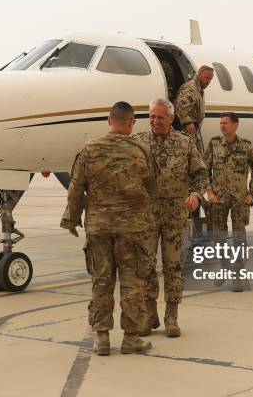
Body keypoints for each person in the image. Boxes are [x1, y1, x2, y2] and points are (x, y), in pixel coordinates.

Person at [60, 101, 157, 355]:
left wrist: (71, 220)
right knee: (132, 283)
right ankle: (131, 338)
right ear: (130, 123)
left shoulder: (89, 150)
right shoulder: (140, 150)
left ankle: (102, 338)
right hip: (132, 229)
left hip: (99, 228)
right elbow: (153, 186)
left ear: (109, 120)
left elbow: (76, 187)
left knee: (101, 281)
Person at [133, 98, 209, 337]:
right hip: (146, 215)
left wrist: (196, 195)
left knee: (173, 266)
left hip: (175, 216)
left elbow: (201, 175)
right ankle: (149, 313)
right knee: (144, 266)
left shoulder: (185, 144)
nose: (155, 121)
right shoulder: (138, 142)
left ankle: (171, 316)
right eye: (152, 117)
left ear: (171, 118)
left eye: (160, 117)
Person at [203, 112, 253, 290]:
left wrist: (252, 192)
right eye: (221, 123)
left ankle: (237, 275)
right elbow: (203, 170)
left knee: (239, 238)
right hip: (218, 199)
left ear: (236, 125)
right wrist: (209, 192)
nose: (222, 126)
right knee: (219, 238)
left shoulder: (246, 147)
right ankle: (224, 268)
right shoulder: (214, 144)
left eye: (226, 123)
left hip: (239, 199)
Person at [174, 65, 214, 153]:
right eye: (207, 78)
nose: (208, 81)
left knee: (196, 153)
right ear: (199, 75)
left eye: (210, 79)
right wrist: (188, 122)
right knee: (194, 154)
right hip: (185, 128)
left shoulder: (197, 88)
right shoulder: (192, 88)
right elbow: (179, 106)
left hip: (191, 128)